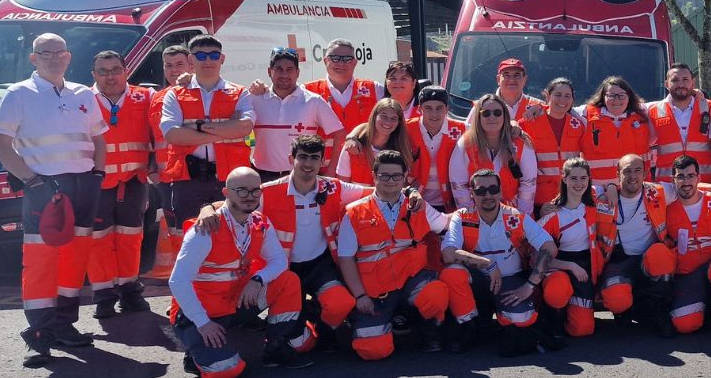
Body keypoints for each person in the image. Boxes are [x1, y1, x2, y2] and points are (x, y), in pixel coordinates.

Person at [0, 33, 108, 367]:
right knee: (42, 262)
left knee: (75, 259)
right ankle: (40, 334)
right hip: (44, 188)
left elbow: (99, 140)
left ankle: (63, 325)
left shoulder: (84, 93)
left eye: (60, 53)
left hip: (83, 185)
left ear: (69, 57)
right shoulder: (19, 94)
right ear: (33, 58)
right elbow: (0, 145)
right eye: (46, 53)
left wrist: (97, 177)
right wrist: (31, 181)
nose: (54, 58)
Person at [192, 135, 374, 346]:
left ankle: (321, 325)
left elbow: (374, 193)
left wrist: (408, 191)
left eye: (314, 158)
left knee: (341, 303)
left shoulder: (332, 187)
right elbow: (231, 203)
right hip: (284, 270)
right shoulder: (269, 192)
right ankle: (292, 324)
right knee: (300, 346)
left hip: (319, 266)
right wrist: (206, 209)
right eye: (302, 157)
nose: (308, 163)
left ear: (322, 161)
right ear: (291, 159)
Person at [168, 168, 315, 376]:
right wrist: (203, 323)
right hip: (202, 314)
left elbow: (279, 261)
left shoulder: (259, 222)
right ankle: (196, 352)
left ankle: (276, 348)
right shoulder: (205, 229)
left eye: (255, 191)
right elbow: (178, 281)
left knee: (288, 280)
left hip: (236, 303)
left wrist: (258, 279)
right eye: (242, 191)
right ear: (226, 193)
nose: (249, 197)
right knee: (227, 370)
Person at [333, 150, 456, 359]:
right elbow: (345, 258)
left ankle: (427, 332)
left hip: (411, 281)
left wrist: (474, 213)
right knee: (373, 351)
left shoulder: (418, 206)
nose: (391, 181)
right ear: (374, 176)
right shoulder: (354, 212)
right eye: (384, 176)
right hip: (374, 292)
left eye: (396, 176)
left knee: (436, 294)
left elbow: (447, 223)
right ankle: (378, 322)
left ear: (405, 177)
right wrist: (360, 296)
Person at [159, 34, 256, 287]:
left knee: (233, 238)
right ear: (191, 60)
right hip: (187, 179)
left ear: (222, 58)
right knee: (187, 240)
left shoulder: (239, 92)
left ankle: (230, 296)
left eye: (213, 55)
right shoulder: (175, 95)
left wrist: (196, 128)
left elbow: (245, 128)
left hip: (228, 179)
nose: (208, 61)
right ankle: (186, 298)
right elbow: (172, 134)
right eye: (200, 56)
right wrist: (224, 127)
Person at [440, 170, 564, 357]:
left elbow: (549, 248)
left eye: (493, 189)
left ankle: (499, 319)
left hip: (509, 281)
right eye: (481, 191)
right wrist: (487, 264)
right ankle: (468, 326)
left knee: (521, 320)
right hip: (477, 283)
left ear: (500, 192)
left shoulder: (515, 216)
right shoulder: (461, 217)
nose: (488, 195)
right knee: (452, 273)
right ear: (472, 193)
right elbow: (448, 253)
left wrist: (529, 286)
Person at [86, 50, 156, 319]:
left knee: (130, 238)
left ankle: (129, 291)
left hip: (134, 181)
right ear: (94, 75)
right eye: (103, 71)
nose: (110, 76)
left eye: (115, 69)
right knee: (98, 240)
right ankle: (104, 295)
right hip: (96, 183)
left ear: (126, 71)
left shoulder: (146, 97)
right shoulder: (83, 100)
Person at [589, 154, 677, 336]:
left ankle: (659, 309)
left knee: (661, 254)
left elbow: (688, 187)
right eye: (627, 171)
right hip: (618, 260)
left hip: (648, 259)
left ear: (645, 172)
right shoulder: (602, 195)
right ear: (617, 174)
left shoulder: (658, 191)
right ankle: (625, 310)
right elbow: (572, 190)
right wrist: (547, 208)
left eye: (637, 170)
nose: (633, 176)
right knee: (616, 299)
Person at [533, 158, 616, 338]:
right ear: (564, 179)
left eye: (583, 178)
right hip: (558, 265)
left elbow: (608, 186)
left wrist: (611, 187)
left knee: (582, 329)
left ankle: (572, 311)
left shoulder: (594, 204)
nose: (579, 184)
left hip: (585, 267)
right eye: (573, 178)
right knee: (558, 290)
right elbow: (534, 257)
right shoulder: (552, 214)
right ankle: (553, 317)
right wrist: (569, 266)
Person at [246, 47, 346, 182]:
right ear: (270, 72)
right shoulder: (255, 99)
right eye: (279, 69)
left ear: (297, 73)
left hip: (302, 177)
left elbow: (339, 134)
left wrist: (331, 170)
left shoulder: (313, 101)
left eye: (289, 69)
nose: (284, 74)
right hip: (263, 176)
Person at [661, 155, 711, 335]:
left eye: (691, 176)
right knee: (684, 324)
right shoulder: (665, 208)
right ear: (673, 180)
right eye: (681, 177)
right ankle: (703, 304)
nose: (686, 182)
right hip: (687, 273)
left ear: (699, 178)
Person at [148, 44, 194, 279]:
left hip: (193, 177)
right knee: (176, 235)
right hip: (167, 180)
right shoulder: (156, 98)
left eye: (179, 64)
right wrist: (152, 172)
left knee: (197, 234)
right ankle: (180, 286)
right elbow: (148, 136)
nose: (174, 70)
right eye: (168, 65)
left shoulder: (198, 92)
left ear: (190, 65)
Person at [303, 38, 380, 172]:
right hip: (322, 170)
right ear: (325, 60)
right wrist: (258, 89)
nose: (341, 63)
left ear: (355, 63)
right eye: (335, 58)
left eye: (347, 59)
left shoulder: (375, 89)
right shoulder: (307, 91)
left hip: (363, 168)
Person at [451, 94, 538, 212]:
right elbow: (459, 185)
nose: (492, 117)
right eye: (486, 113)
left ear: (505, 116)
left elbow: (528, 184)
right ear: (478, 117)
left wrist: (522, 218)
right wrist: (472, 217)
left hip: (514, 214)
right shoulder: (465, 144)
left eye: (497, 113)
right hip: (478, 214)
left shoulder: (522, 142)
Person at [520, 79, 592, 207]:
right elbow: (511, 128)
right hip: (539, 197)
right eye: (558, 95)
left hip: (570, 196)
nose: (562, 100)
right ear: (547, 96)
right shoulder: (530, 122)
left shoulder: (578, 125)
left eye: (567, 96)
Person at [647, 64, 711, 185]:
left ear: (693, 82)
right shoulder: (653, 111)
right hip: (668, 184)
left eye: (685, 80)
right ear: (666, 84)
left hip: (704, 183)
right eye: (675, 80)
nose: (681, 84)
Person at [582, 77, 653, 189]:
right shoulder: (585, 115)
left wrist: (691, 92)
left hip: (635, 190)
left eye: (621, 96)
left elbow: (672, 102)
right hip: (598, 190)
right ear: (603, 96)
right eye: (611, 96)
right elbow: (559, 108)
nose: (616, 100)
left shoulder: (644, 114)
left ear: (629, 96)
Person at [407, 86, 466, 211]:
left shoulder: (462, 129)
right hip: (415, 200)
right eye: (428, 108)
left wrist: (512, 124)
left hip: (450, 203)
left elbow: (487, 129)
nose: (434, 114)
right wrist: (354, 137)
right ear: (419, 109)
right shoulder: (406, 129)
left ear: (447, 109)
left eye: (439, 108)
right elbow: (373, 126)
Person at [337, 98, 414, 186]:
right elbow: (343, 186)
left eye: (393, 118)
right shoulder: (353, 146)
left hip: (387, 199)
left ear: (398, 122)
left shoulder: (402, 151)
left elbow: (400, 188)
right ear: (374, 116)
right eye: (383, 116)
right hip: (355, 200)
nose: (388, 122)